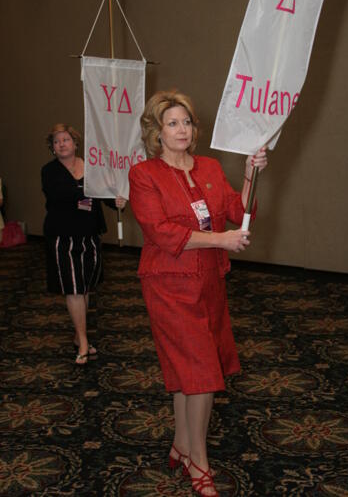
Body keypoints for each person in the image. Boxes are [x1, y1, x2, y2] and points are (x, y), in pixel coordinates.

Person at [128, 90, 267, 496]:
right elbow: (161, 231)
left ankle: (182, 443)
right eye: (172, 123)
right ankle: (199, 463)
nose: (182, 129)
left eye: (186, 121)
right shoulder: (144, 174)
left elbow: (234, 210)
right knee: (202, 373)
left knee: (186, 371)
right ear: (156, 131)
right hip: (169, 284)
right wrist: (221, 240)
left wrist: (249, 174)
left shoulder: (207, 166)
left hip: (208, 281)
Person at [41, 123, 126, 365]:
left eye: (66, 140)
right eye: (57, 142)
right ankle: (83, 340)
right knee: (74, 287)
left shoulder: (92, 167)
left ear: (75, 143)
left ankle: (80, 336)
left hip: (89, 235)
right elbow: (59, 195)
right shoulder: (49, 171)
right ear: (53, 148)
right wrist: (90, 188)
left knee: (86, 286)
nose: (61, 144)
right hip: (63, 237)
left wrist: (117, 200)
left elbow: (105, 194)